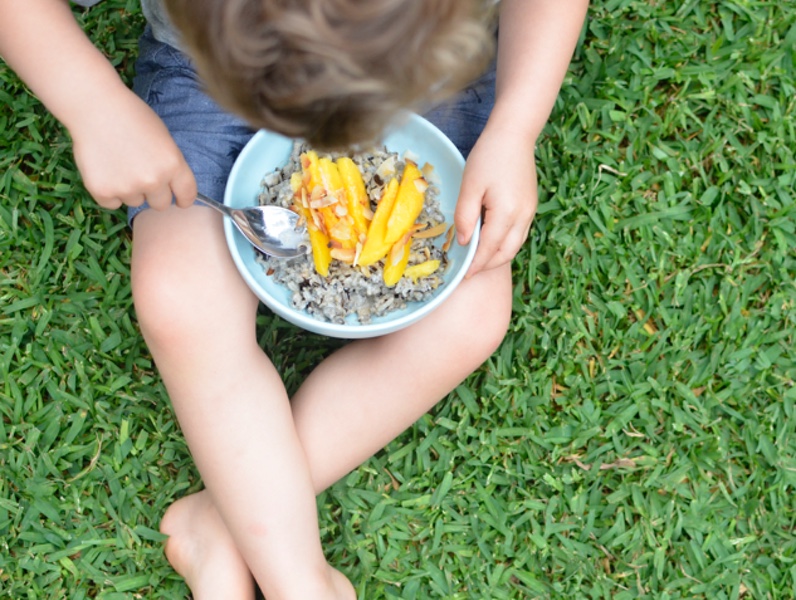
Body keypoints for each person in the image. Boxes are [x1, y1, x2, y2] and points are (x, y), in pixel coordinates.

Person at [0, 0, 589, 598]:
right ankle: (299, 581)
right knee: (180, 297)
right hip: (214, 72)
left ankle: (225, 522)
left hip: (421, 76)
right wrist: (91, 103)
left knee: (470, 315)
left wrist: (516, 127)